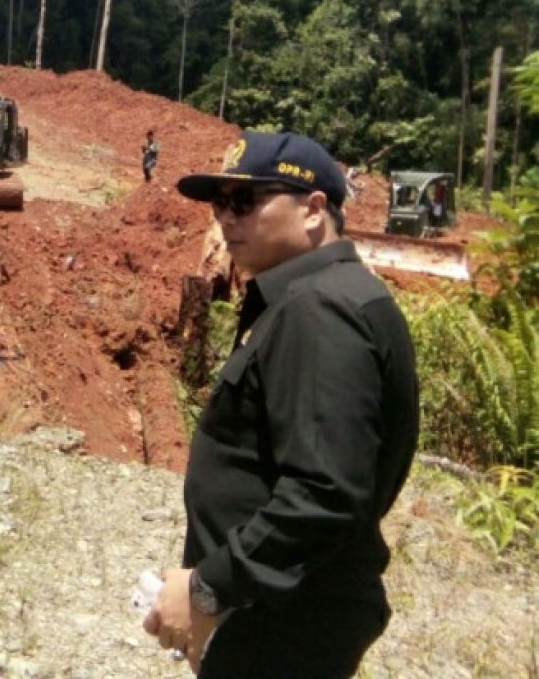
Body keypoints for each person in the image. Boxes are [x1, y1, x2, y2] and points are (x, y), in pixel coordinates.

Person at [143, 131, 419, 678]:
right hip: (273, 606)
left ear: (315, 209)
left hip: (286, 621)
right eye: (219, 203)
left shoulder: (321, 311)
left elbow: (324, 493)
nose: (226, 217)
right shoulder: (317, 294)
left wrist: (207, 589)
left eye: (245, 201)